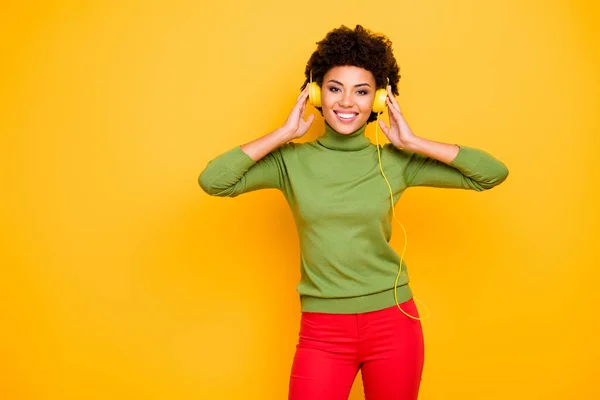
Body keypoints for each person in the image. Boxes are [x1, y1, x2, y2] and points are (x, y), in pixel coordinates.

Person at [198, 25, 509, 400]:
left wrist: (413, 142)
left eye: (361, 92)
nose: (347, 102)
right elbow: (214, 180)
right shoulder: (290, 162)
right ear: (315, 93)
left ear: (378, 100)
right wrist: (282, 134)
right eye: (334, 88)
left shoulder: (394, 161)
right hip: (322, 332)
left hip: (394, 324)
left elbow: (490, 174)